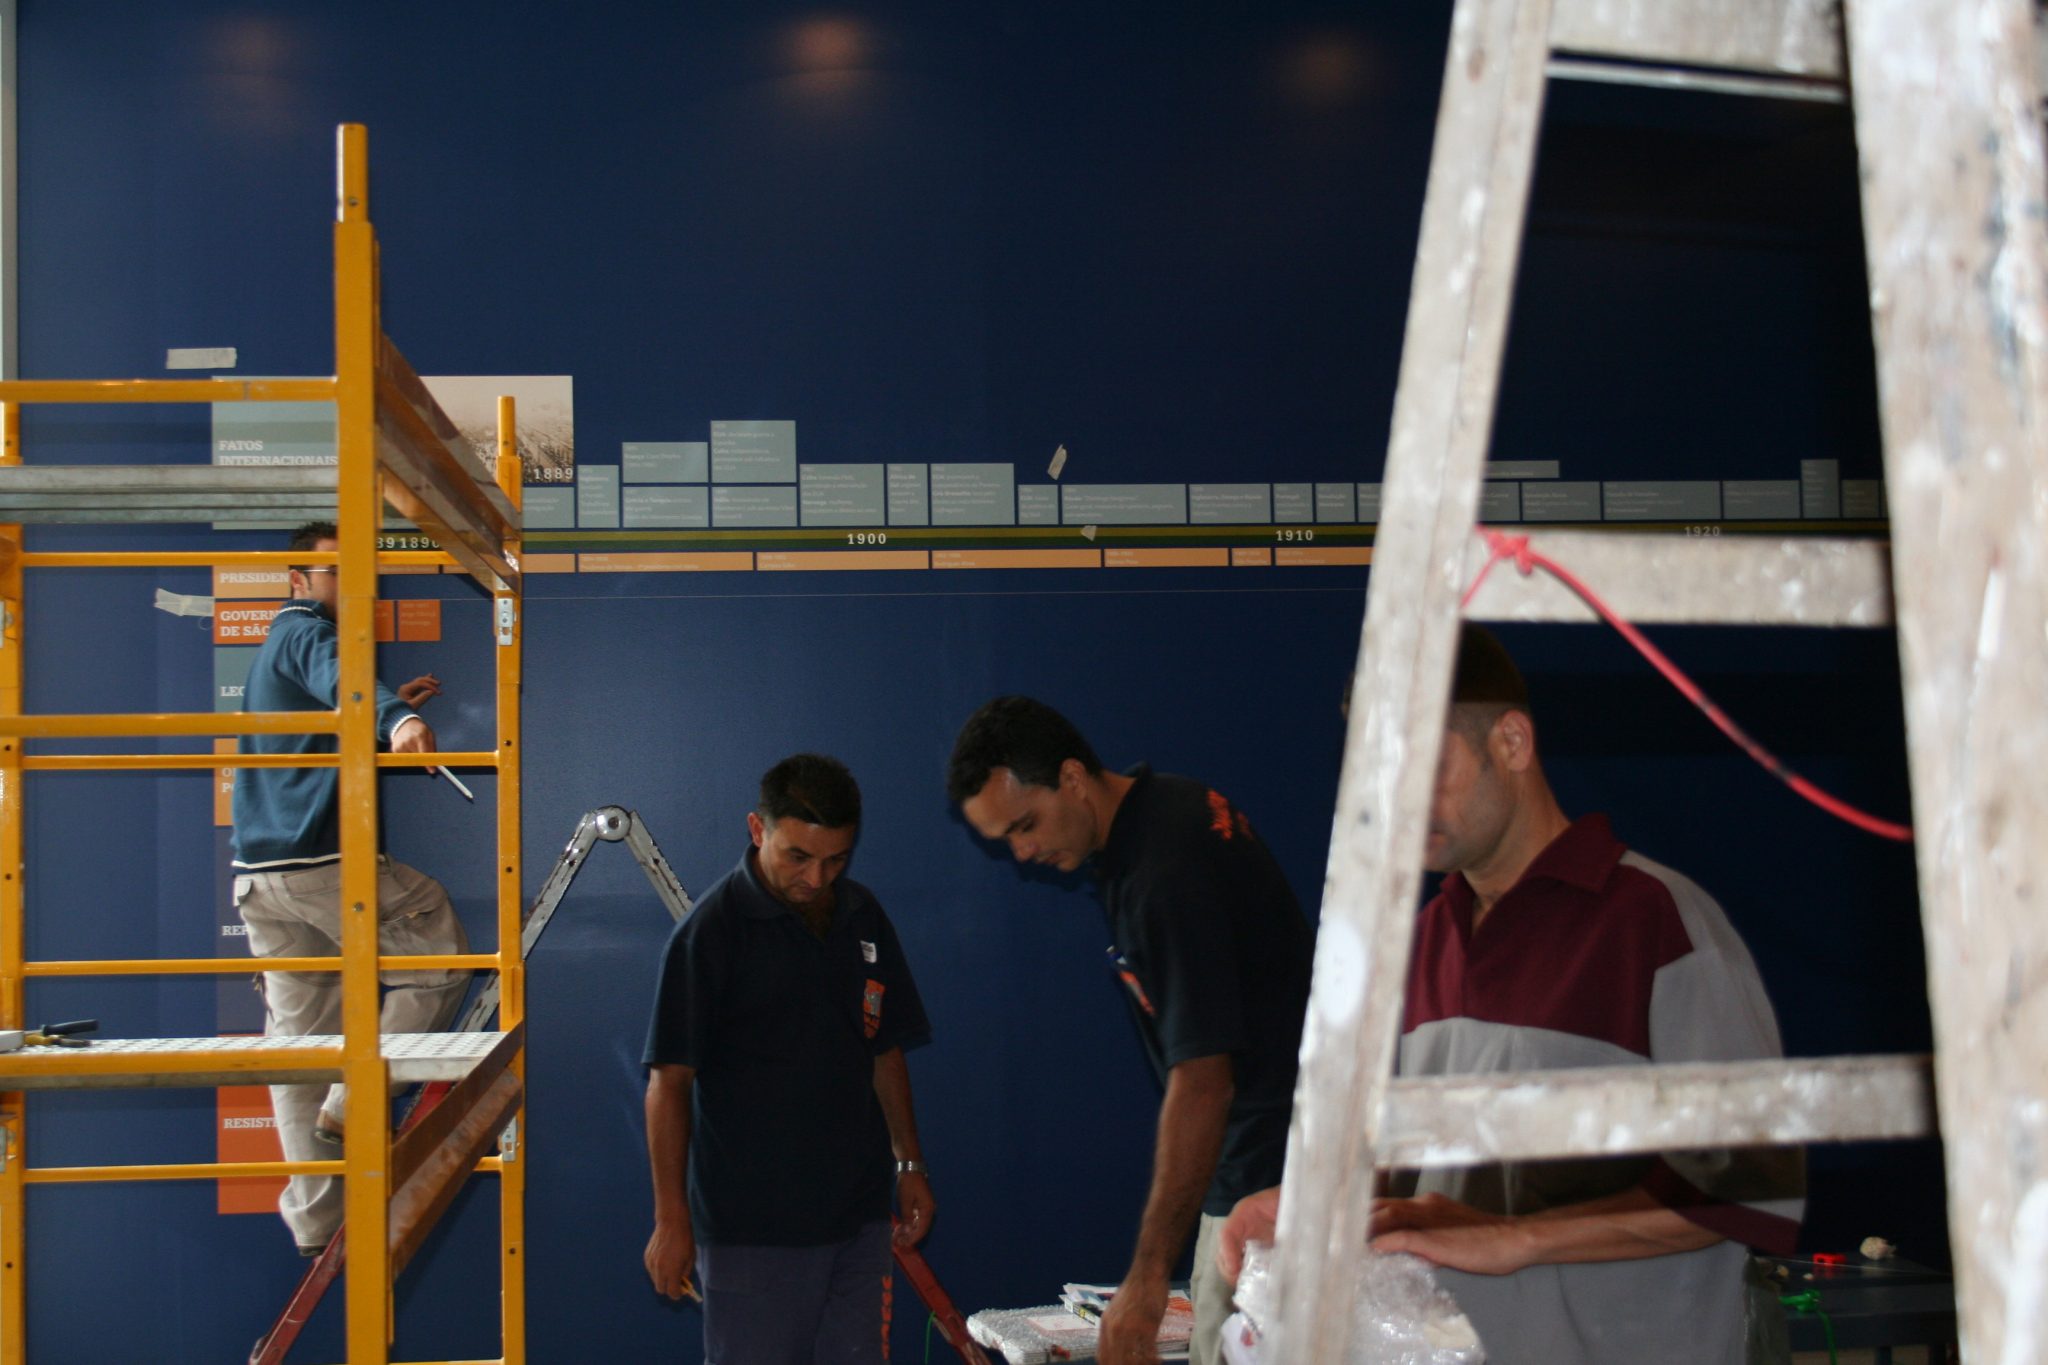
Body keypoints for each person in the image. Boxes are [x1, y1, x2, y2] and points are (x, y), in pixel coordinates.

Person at [1219, 624, 1803, 1365]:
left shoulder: (1658, 920)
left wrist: (1515, 1236)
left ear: (1512, 743)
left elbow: (1748, 1185)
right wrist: (1311, 1210)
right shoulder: (1421, 942)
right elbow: (1416, 1187)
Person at [948, 699, 1314, 1365]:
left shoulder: (1159, 876)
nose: (1022, 852)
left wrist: (1146, 1279)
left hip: (1265, 1184)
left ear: (1072, 778)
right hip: (1292, 1164)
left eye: (1025, 825)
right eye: (1005, 840)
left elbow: (1203, 1083)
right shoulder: (1175, 804)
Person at [643, 754, 935, 1365]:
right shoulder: (709, 933)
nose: (816, 877)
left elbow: (884, 1049)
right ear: (758, 830)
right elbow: (668, 1084)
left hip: (859, 1220)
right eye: (797, 856)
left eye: (835, 860)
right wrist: (671, 1219)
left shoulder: (863, 915)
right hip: (754, 1232)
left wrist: (908, 1162)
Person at [229, 520, 472, 1256]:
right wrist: (397, 717)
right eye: (335, 572)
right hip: (318, 864)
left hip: (261, 879)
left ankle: (316, 1218)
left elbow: (327, 708)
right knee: (438, 950)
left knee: (301, 1044)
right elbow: (339, 671)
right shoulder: (303, 630)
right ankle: (355, 1099)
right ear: (298, 581)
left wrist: (385, 707)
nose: (350, 585)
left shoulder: (280, 649)